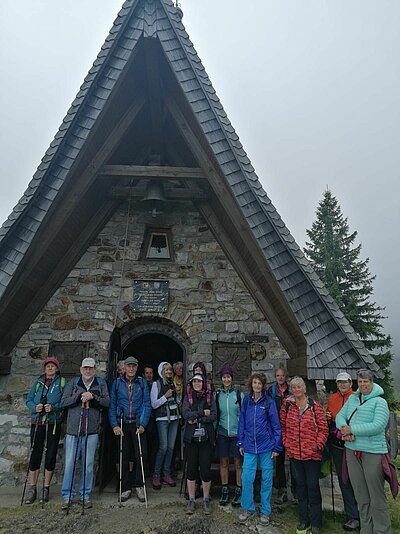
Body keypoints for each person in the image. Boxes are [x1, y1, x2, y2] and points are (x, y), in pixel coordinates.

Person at [336, 368, 391, 534]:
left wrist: (352, 430)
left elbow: (378, 426)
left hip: (372, 452)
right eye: (360, 381)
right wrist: (344, 428)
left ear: (371, 382)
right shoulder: (352, 399)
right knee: (361, 495)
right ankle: (366, 529)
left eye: (366, 381)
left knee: (376, 495)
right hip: (352, 451)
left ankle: (381, 530)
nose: (363, 384)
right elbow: (340, 416)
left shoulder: (380, 402)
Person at [280, 377, 328, 534]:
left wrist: (317, 445)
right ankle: (303, 520)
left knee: (313, 488)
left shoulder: (315, 407)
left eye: (299, 386)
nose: (296, 389)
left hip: (312, 456)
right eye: (293, 387)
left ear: (304, 389)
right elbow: (283, 426)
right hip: (295, 455)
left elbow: (323, 428)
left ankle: (316, 522)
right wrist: (287, 443)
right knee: (300, 488)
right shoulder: (287, 406)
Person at [61, 357, 109, 509]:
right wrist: (78, 396)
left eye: (91, 368)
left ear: (95, 369)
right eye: (85, 368)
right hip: (73, 431)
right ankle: (67, 496)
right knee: (70, 464)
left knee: (88, 465)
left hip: (91, 431)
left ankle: (85, 495)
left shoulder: (100, 383)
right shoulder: (74, 383)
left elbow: (107, 402)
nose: (88, 371)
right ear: (81, 369)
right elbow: (63, 402)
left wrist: (93, 397)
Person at [237, 372, 282, 526]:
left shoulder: (269, 402)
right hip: (249, 445)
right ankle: (248, 507)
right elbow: (241, 421)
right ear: (251, 384)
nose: (256, 386)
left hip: (266, 446)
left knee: (267, 479)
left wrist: (277, 446)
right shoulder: (247, 401)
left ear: (263, 386)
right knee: (247, 478)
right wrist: (240, 442)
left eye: (259, 383)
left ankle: (265, 511)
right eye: (254, 383)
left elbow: (276, 425)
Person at [109, 355, 151, 503]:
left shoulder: (142, 383)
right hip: (123, 423)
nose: (131, 368)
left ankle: (139, 485)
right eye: (129, 366)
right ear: (124, 368)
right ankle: (125, 487)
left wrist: (144, 424)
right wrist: (114, 424)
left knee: (141, 455)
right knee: (124, 456)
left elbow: (147, 403)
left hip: (137, 424)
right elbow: (112, 403)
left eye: (134, 366)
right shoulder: (117, 383)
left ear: (136, 367)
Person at [25, 357, 65, 504]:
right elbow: (28, 400)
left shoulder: (61, 383)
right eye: (48, 366)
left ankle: (46, 487)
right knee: (35, 453)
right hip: (37, 422)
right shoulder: (38, 382)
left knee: (50, 454)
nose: (50, 368)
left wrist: (54, 407)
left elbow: (65, 401)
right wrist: (34, 408)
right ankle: (32, 487)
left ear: (56, 368)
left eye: (53, 366)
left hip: (52, 422)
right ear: (44, 368)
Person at [326, 372, 360, 531]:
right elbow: (331, 418)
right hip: (338, 445)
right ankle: (352, 516)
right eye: (339, 383)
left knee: (358, 479)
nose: (342, 385)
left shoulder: (358, 397)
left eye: (345, 382)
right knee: (344, 480)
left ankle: (364, 513)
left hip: (356, 444)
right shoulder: (332, 399)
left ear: (350, 383)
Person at [182, 373, 217, 515]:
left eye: (199, 381)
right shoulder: (187, 398)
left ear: (203, 383)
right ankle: (191, 499)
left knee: (205, 470)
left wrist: (196, 419)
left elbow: (214, 415)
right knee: (191, 469)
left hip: (206, 440)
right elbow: (185, 414)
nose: (197, 384)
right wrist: (203, 413)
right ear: (191, 384)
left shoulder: (209, 398)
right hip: (191, 440)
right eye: (194, 381)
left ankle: (206, 498)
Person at [215, 363, 244, 507]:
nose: (226, 380)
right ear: (221, 379)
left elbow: (243, 415)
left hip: (236, 434)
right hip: (222, 433)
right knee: (223, 462)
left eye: (228, 377)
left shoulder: (238, 394)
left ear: (232, 379)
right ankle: (225, 490)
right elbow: (216, 414)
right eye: (224, 377)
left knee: (238, 463)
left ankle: (239, 490)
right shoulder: (218, 395)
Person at [267, 366, 294, 504]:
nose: (280, 378)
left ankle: (294, 490)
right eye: (278, 375)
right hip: (277, 430)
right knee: (279, 460)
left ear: (286, 376)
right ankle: (281, 489)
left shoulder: (292, 390)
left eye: (282, 375)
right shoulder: (271, 391)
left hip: (291, 429)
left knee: (294, 460)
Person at [150, 362, 180, 489]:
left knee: (171, 447)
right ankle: (156, 474)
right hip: (162, 418)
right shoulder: (156, 384)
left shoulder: (172, 383)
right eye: (166, 370)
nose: (168, 372)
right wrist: (165, 396)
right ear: (161, 371)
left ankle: (166, 474)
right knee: (163, 446)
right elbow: (154, 404)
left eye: (170, 370)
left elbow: (177, 401)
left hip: (174, 417)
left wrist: (177, 396)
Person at [143, 364, 158, 475]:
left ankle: (153, 470)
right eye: (147, 373)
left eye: (150, 373)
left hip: (153, 420)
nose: (149, 375)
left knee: (154, 446)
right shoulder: (140, 385)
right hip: (142, 419)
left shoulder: (156, 385)